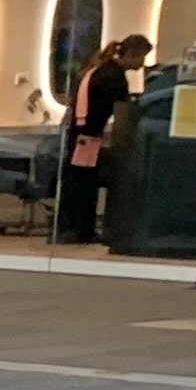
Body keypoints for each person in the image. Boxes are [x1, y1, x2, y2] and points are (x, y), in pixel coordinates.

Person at [58, 31, 151, 247]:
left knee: (79, 182)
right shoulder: (113, 76)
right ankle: (79, 231)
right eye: (141, 58)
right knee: (84, 184)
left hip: (81, 133)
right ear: (133, 54)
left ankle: (73, 229)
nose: (142, 64)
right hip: (86, 137)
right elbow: (123, 105)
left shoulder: (100, 69)